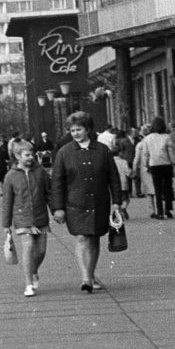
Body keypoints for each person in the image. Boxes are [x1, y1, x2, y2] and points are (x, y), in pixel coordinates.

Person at [50, 111, 119, 293]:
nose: (75, 133)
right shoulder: (64, 153)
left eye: (78, 129)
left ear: (88, 129)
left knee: (94, 238)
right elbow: (56, 182)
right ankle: (85, 278)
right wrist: (57, 208)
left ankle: (91, 273)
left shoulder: (102, 151)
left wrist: (117, 202)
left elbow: (113, 178)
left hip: (99, 203)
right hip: (75, 204)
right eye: (72, 130)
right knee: (81, 237)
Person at [2, 139, 51, 296]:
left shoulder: (40, 172)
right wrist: (6, 223)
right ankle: (28, 283)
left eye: (32, 154)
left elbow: (48, 193)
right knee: (28, 248)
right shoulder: (11, 176)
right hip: (22, 218)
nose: (31, 157)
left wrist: (56, 210)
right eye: (27, 155)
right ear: (17, 156)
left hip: (41, 216)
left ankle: (33, 270)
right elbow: (7, 201)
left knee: (41, 250)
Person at [141, 117, 175, 219]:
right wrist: (174, 163)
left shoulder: (147, 138)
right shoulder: (167, 137)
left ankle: (159, 212)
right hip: (166, 164)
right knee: (168, 186)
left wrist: (145, 164)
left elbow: (145, 154)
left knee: (157, 188)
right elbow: (171, 152)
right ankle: (168, 209)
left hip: (154, 165)